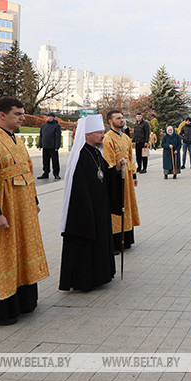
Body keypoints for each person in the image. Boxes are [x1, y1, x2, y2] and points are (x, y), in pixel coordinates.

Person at [0, 97, 49, 325]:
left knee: (22, 251)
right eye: (18, 114)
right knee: (2, 254)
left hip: (23, 209)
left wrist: (33, 199)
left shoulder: (19, 141)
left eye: (23, 113)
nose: (23, 117)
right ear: (1, 115)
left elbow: (27, 171)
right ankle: (2, 311)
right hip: (3, 209)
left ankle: (25, 303)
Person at [58, 114, 123, 292]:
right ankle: (84, 280)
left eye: (103, 132)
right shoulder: (80, 157)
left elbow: (105, 176)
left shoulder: (95, 152)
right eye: (99, 133)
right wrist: (88, 211)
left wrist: (117, 169)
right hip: (85, 212)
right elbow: (79, 189)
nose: (103, 136)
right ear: (87, 135)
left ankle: (101, 275)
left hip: (99, 208)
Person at [103, 110, 140, 251]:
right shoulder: (108, 138)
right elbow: (108, 161)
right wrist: (117, 168)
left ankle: (127, 238)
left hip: (128, 177)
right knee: (118, 206)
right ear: (110, 122)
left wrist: (134, 175)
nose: (122, 120)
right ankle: (116, 241)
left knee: (128, 205)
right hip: (116, 179)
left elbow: (131, 157)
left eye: (122, 117)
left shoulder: (125, 137)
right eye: (118, 118)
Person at [37, 113, 62, 179]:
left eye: (49, 116)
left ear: (53, 117)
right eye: (47, 116)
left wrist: (57, 146)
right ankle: (46, 173)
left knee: (55, 161)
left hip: (53, 147)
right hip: (45, 146)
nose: (47, 118)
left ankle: (56, 174)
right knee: (45, 161)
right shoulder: (44, 126)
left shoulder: (57, 126)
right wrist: (40, 145)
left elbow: (58, 137)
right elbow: (41, 136)